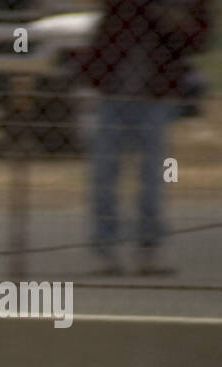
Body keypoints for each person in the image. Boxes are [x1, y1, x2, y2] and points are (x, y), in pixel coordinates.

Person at [80, 0, 210, 275]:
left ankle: (149, 250)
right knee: (104, 174)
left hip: (157, 95)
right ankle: (105, 251)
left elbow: (200, 39)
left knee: (153, 176)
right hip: (113, 92)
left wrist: (171, 18)